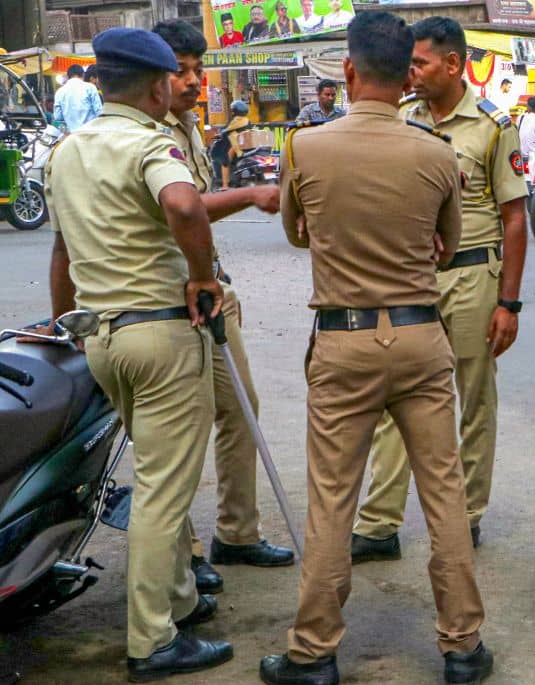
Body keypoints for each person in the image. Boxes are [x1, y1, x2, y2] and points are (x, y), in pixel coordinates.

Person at [260, 11, 491, 685]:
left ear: (351, 71)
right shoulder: (437, 152)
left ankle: (313, 655)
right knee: (444, 495)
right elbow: (447, 247)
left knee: (334, 501)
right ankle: (461, 650)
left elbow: (297, 234)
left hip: (344, 339)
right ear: (407, 75)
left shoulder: (305, 146)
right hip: (423, 337)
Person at [44, 27, 232, 681]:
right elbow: (184, 204)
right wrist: (204, 276)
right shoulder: (151, 143)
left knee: (156, 474)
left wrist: (69, 321)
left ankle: (178, 599)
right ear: (157, 87)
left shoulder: (67, 152)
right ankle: (151, 640)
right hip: (160, 336)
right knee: (161, 489)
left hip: (102, 338)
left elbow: (62, 255)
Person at [353, 16, 529, 558]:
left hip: (475, 276)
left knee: (474, 399)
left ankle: (466, 514)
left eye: (420, 64)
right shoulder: (403, 118)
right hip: (412, 280)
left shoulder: (495, 127)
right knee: (395, 397)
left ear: (453, 64)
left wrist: (509, 303)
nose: (411, 74)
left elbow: (515, 218)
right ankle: (380, 522)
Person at [152, 19, 296, 595]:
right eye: (179, 70)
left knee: (240, 406)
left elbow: (198, 212)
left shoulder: (190, 127)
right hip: (165, 298)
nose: (191, 81)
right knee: (179, 429)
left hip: (208, 288)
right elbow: (184, 210)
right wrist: (252, 194)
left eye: (196, 69)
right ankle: (182, 552)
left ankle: (236, 533)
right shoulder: (143, 133)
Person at [52, 64, 102, 132]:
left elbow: (58, 117)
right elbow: (99, 112)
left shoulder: (59, 92)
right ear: (83, 75)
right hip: (90, 133)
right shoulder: (90, 87)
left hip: (71, 136)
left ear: (68, 76)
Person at [218, 100, 251, 190]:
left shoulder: (238, 120)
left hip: (238, 145)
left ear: (235, 111)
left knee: (225, 160)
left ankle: (225, 185)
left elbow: (226, 130)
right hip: (245, 143)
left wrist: (220, 133)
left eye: (232, 110)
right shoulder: (246, 120)